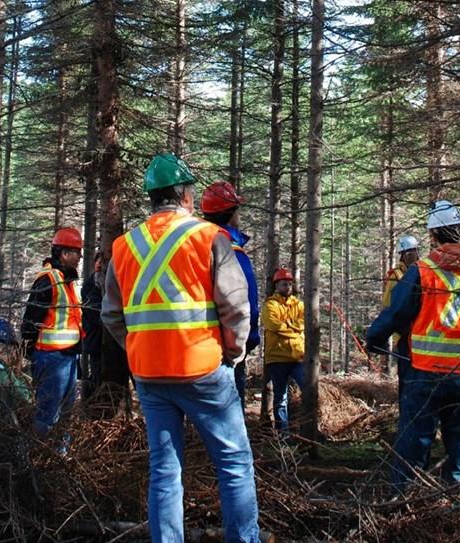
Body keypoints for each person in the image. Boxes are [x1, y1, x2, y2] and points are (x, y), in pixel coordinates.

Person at [101, 153, 260, 542]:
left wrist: (140, 348)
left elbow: (111, 315)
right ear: (187, 196)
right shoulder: (209, 237)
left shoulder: (124, 246)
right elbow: (237, 306)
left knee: (164, 470)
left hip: (150, 376)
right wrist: (234, 353)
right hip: (203, 369)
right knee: (234, 463)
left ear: (152, 197)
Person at [366, 200, 460, 490]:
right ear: (458, 230)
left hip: (427, 371)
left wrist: (374, 338)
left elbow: (396, 313)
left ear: (432, 236)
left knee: (415, 438)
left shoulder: (423, 270)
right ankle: (456, 498)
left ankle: (404, 500)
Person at [200, 180, 261, 410]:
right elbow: (246, 303)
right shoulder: (231, 248)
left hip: (199, 349)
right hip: (227, 352)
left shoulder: (195, 245)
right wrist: (246, 344)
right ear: (230, 213)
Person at [21, 227, 84, 447]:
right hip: (50, 359)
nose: (79, 258)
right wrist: (30, 352)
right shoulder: (48, 280)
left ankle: (60, 457)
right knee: (47, 413)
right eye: (77, 252)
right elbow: (30, 321)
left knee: (66, 412)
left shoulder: (66, 280)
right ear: (65, 253)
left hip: (68, 357)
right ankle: (38, 458)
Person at [261, 267, 306, 433]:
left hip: (297, 357)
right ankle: (283, 436)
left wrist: (284, 327)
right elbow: (272, 324)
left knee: (307, 392)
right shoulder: (270, 305)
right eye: (283, 284)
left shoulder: (299, 305)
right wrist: (293, 328)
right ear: (276, 286)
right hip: (277, 358)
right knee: (280, 399)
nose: (287, 287)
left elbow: (303, 324)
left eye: (289, 284)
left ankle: (306, 431)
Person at [381, 235, 420, 390]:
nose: (412, 255)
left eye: (414, 251)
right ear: (402, 255)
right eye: (409, 252)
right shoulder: (396, 276)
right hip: (404, 335)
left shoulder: (423, 272)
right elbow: (388, 305)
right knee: (406, 378)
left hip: (422, 334)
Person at [80, 251, 104, 398]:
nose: (100, 264)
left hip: (116, 344)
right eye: (98, 261)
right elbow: (93, 313)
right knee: (97, 378)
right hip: (96, 342)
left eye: (103, 261)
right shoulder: (89, 286)